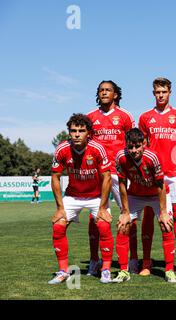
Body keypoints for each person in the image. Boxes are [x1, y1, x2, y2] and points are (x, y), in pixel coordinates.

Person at [48, 113, 114, 284]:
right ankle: (63, 271)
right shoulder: (62, 149)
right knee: (58, 226)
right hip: (73, 196)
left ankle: (105, 269)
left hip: (96, 196)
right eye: (73, 131)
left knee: (104, 225)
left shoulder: (97, 148)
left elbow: (107, 177)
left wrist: (102, 207)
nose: (77, 134)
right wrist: (60, 208)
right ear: (69, 132)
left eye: (81, 131)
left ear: (89, 133)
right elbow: (55, 177)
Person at [138, 77, 176, 276]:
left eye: (164, 92)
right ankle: (147, 262)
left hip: (174, 173)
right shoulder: (145, 117)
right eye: (157, 92)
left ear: (170, 92)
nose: (160, 95)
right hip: (152, 174)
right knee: (150, 215)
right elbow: (141, 144)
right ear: (153, 93)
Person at [113, 128, 176, 283]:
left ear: (143, 144)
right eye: (130, 147)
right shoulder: (121, 157)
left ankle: (169, 270)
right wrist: (125, 211)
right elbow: (122, 184)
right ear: (126, 145)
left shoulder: (153, 157)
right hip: (135, 194)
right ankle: (123, 271)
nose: (134, 150)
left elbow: (160, 184)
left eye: (137, 146)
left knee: (166, 224)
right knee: (123, 225)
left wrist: (163, 212)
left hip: (157, 194)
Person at [86, 80, 135, 277]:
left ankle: (132, 259)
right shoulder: (90, 117)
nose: (104, 93)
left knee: (129, 215)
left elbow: (134, 142)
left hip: (120, 172)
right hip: (98, 174)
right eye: (101, 90)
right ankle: (94, 260)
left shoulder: (125, 116)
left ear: (115, 94)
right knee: (95, 216)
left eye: (108, 90)